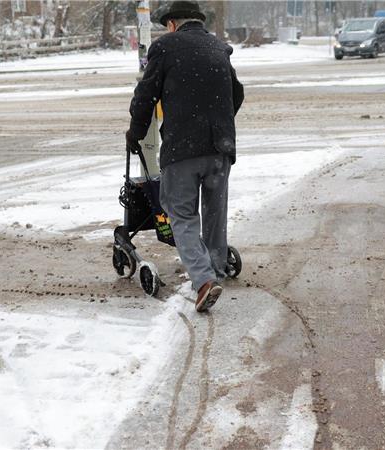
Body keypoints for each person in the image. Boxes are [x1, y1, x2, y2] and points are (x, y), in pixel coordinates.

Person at [125, 0, 243, 313]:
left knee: (181, 214)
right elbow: (238, 93)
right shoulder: (218, 47)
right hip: (220, 148)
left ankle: (204, 281)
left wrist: (135, 133)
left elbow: (145, 97)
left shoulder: (166, 48)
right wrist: (218, 122)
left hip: (182, 150)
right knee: (215, 212)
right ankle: (215, 267)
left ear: (173, 24)